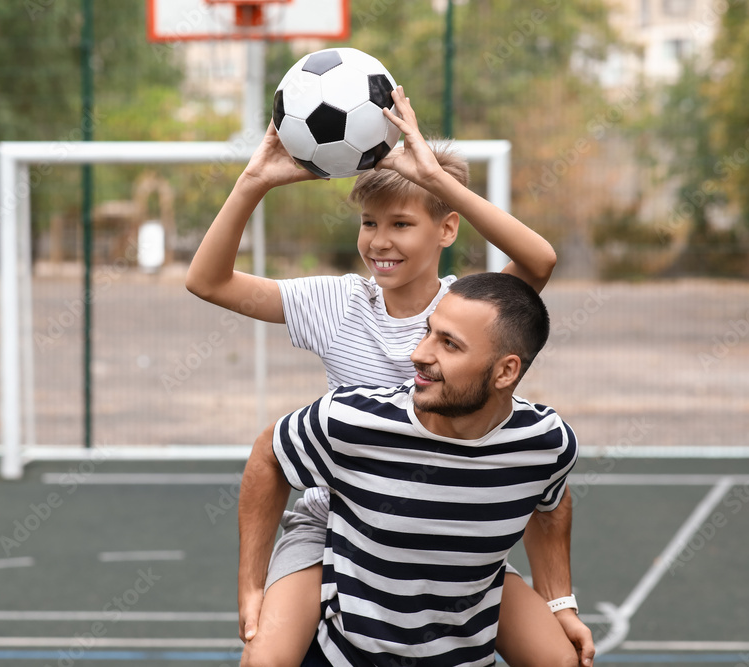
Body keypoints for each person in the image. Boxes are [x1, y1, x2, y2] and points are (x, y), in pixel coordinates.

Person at [185, 86, 593, 666]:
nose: (378, 240)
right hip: (335, 521)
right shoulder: (337, 302)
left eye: (400, 224)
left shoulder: (469, 312)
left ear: (446, 230)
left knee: (561, 659)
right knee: (265, 658)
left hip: (447, 526)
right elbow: (209, 282)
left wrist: (432, 174)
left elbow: (540, 261)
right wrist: (253, 182)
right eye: (368, 223)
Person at [250, 272, 579, 666]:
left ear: (505, 372)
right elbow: (268, 454)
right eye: (428, 332)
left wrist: (561, 603)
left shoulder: (547, 442)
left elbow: (552, 503)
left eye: (449, 344)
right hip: (347, 656)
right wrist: (250, 587)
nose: (419, 354)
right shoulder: (352, 420)